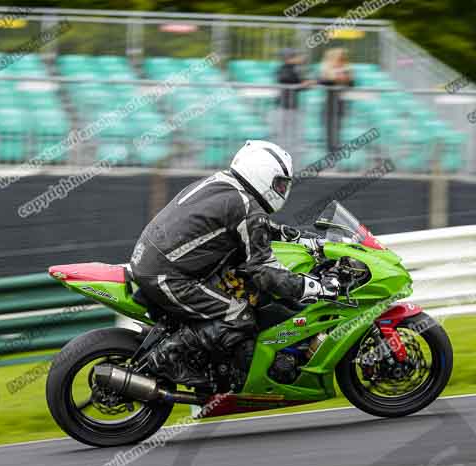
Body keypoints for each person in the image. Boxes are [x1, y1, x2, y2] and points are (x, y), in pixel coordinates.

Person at [129, 140, 340, 395]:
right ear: (262, 174)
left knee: (243, 291)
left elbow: (249, 230)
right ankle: (166, 357)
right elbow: (263, 271)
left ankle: (211, 361)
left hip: (156, 261)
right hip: (169, 276)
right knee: (238, 314)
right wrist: (315, 287)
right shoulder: (247, 209)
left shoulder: (224, 185)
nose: (284, 189)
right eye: (280, 183)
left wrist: (299, 238)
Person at [276, 48, 314, 159]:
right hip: (283, 107)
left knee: (294, 134)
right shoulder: (284, 68)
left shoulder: (294, 69)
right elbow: (286, 79)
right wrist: (302, 83)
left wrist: (305, 84)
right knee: (283, 136)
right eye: (295, 56)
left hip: (292, 106)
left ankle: (289, 158)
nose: (299, 59)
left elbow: (298, 84)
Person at [318, 48, 354, 153]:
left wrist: (346, 79)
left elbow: (351, 84)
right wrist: (335, 79)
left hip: (340, 101)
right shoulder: (326, 68)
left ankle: (336, 147)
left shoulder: (347, 69)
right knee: (329, 124)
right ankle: (329, 148)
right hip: (329, 101)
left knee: (338, 125)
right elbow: (322, 81)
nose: (341, 60)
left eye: (342, 58)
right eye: (339, 58)